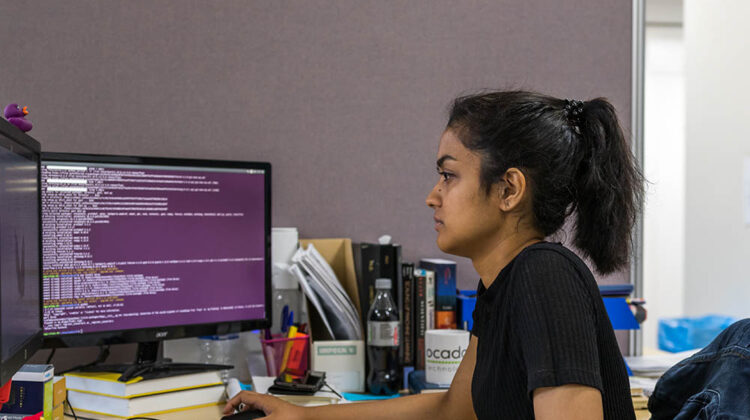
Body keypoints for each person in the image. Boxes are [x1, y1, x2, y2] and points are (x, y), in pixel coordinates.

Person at [224, 90, 643, 419]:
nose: (432, 197)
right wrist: (306, 416)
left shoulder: (545, 278)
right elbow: (453, 410)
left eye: (449, 175)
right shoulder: (503, 283)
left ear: (509, 190)